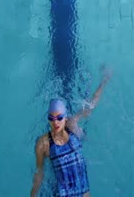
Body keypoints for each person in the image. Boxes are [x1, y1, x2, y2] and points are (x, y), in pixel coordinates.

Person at [30, 68, 111, 197]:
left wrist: (104, 81)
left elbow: (91, 105)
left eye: (59, 118)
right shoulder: (43, 143)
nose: (55, 122)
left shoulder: (72, 127)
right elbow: (39, 173)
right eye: (51, 118)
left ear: (65, 118)